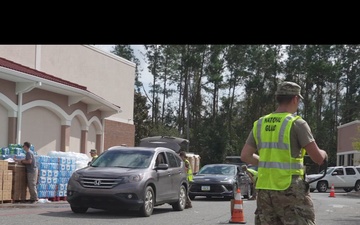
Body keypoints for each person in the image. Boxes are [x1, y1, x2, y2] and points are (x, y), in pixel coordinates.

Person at [240, 81, 328, 225]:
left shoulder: (260, 123)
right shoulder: (297, 123)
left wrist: (267, 162)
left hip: (264, 191)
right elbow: (317, 158)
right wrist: (324, 154)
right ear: (295, 99)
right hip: (289, 190)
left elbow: (245, 156)